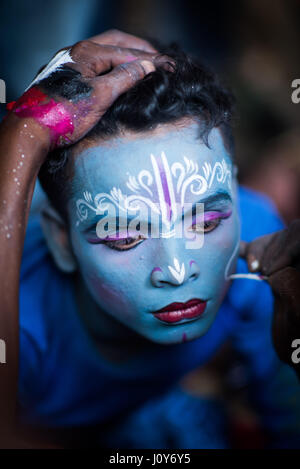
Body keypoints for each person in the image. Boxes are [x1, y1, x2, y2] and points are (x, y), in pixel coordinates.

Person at [0, 30, 299, 448]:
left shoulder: (259, 244)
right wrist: (24, 137)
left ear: (233, 189)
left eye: (207, 222)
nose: (177, 271)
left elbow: (287, 422)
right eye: (123, 237)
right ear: (61, 240)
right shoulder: (23, 321)